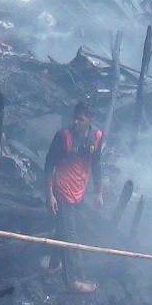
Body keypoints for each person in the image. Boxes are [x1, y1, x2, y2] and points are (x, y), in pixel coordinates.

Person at [44, 101, 104, 293]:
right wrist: (50, 194)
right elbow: (49, 164)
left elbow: (97, 164)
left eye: (81, 119)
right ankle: (71, 281)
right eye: (75, 118)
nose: (76, 122)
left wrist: (98, 192)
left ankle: (53, 265)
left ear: (90, 120)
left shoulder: (97, 137)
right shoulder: (63, 136)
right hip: (62, 191)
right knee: (70, 236)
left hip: (79, 191)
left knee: (62, 229)